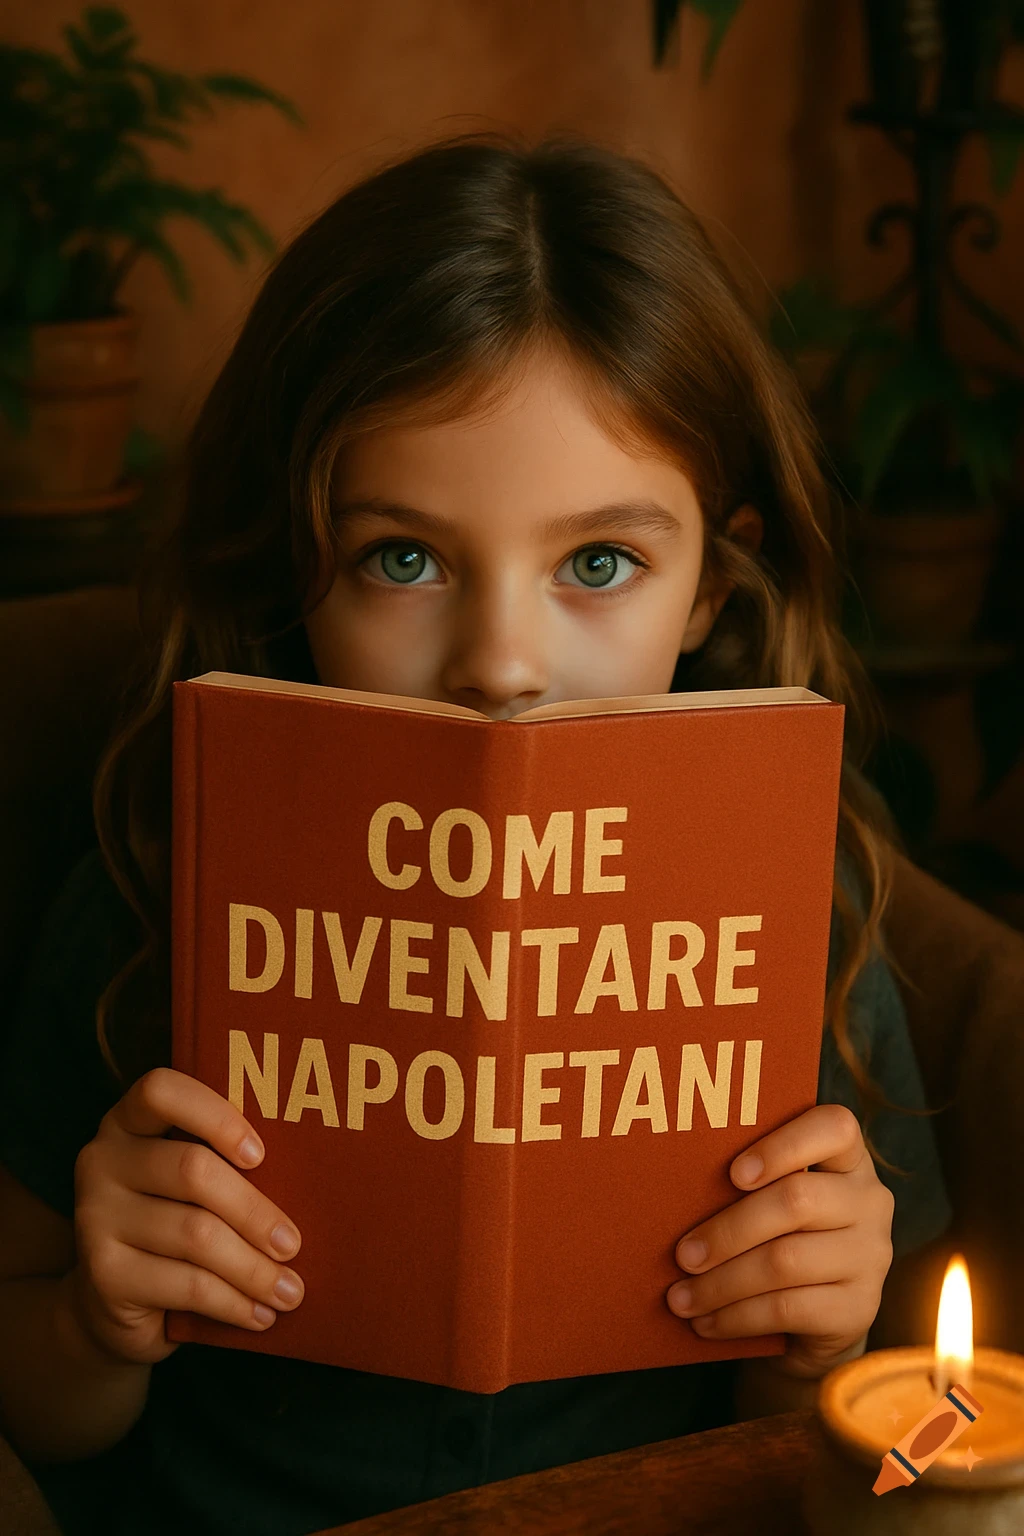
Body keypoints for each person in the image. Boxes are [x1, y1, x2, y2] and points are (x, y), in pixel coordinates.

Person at [0, 132, 951, 1536]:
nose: (501, 661)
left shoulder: (802, 906)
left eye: (600, 563)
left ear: (706, 586)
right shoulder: (150, 880)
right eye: (404, 557)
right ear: (293, 555)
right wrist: (97, 1316)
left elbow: (911, 1442)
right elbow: (30, 1402)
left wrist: (824, 1344)